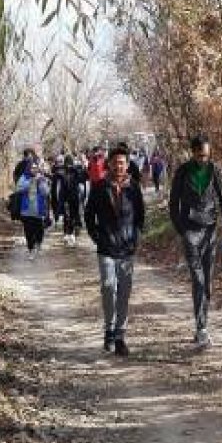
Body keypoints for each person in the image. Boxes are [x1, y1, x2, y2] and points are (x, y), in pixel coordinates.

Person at [168, 134, 222, 349]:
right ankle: (201, 328)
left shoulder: (215, 171)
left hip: (210, 231)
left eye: (206, 155)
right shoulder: (183, 171)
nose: (203, 159)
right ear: (193, 152)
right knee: (198, 280)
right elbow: (173, 202)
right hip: (190, 231)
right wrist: (181, 229)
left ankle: (203, 324)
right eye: (199, 155)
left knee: (208, 283)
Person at [84, 145, 144, 356]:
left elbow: (140, 218)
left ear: (127, 165)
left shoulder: (134, 187)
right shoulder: (99, 187)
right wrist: (96, 236)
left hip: (127, 249)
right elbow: (88, 215)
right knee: (109, 288)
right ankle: (108, 329)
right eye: (115, 162)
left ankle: (120, 335)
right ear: (109, 164)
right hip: (106, 247)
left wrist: (136, 238)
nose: (119, 166)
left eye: (122, 163)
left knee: (124, 293)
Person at [15, 157, 52, 260]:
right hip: (26, 211)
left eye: (35, 168)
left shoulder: (41, 178)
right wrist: (30, 182)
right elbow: (18, 188)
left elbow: (46, 192)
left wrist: (40, 182)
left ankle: (38, 245)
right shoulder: (24, 177)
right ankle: (31, 250)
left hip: (38, 211)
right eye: (32, 168)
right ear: (28, 168)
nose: (34, 170)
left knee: (39, 231)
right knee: (28, 232)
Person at [51, 154, 87, 245]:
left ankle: (74, 231)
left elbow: (83, 178)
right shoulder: (61, 172)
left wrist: (81, 168)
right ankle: (67, 234)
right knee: (67, 216)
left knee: (74, 215)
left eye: (69, 163)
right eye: (67, 163)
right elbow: (54, 176)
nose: (68, 165)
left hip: (74, 197)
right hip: (65, 197)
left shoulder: (76, 171)